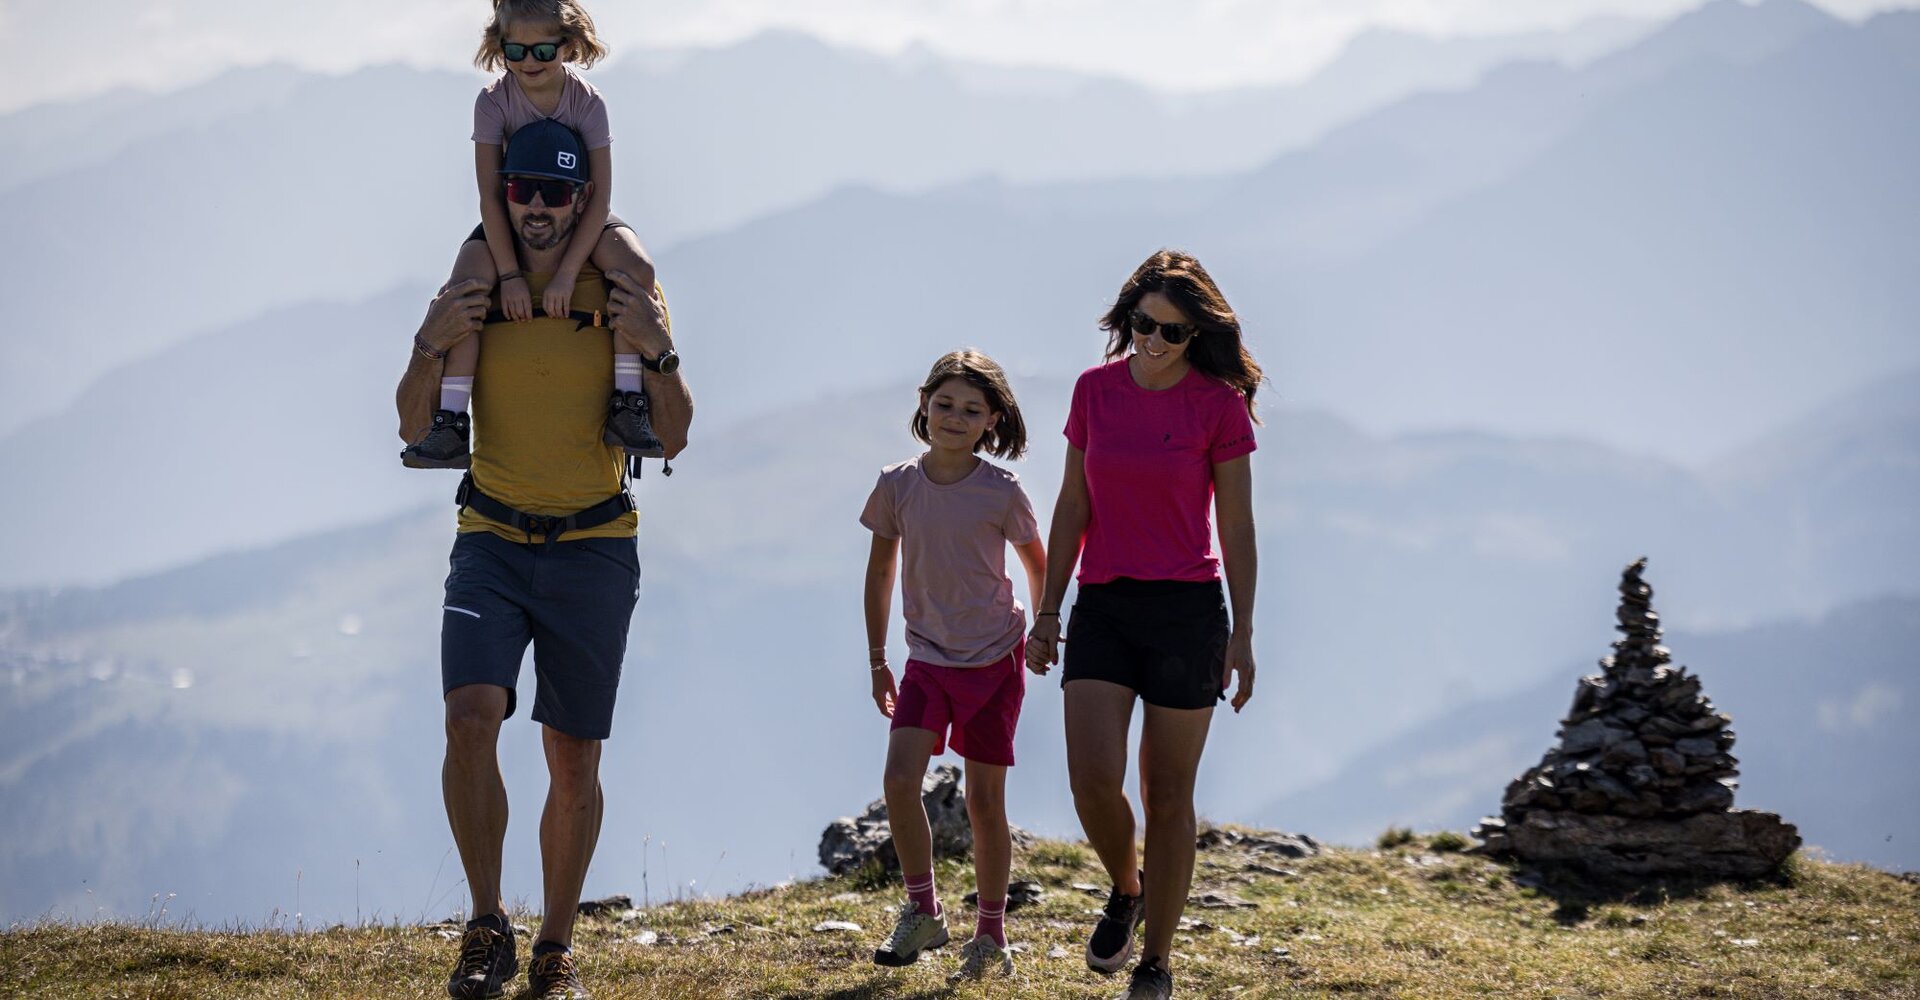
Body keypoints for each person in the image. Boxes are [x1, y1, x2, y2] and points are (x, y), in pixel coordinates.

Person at [395, 119, 691, 1000]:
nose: (536, 207)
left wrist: (662, 348)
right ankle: (486, 925)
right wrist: (424, 340)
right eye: (522, 188)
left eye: (557, 192)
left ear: (583, 199)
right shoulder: (473, 280)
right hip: (489, 536)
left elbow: (673, 433)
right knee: (469, 717)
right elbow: (414, 424)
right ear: (502, 189)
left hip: (596, 547)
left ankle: (556, 947)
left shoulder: (623, 284)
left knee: (573, 758)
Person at [1026, 250, 1262, 1000]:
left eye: (1172, 331)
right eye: (1142, 325)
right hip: (1104, 604)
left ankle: (1156, 959)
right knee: (1093, 783)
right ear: (1126, 316)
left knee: (1168, 795)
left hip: (1188, 612)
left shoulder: (1217, 405)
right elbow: (1072, 506)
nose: (1153, 342)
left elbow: (1239, 526)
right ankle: (1127, 887)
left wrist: (1244, 632)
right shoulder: (1094, 392)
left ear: (1198, 335)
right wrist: (1048, 610)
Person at [403, 0, 664, 469]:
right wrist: (508, 276)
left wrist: (566, 276)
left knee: (636, 270)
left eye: (543, 50)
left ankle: (629, 402)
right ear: (498, 48)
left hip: (580, 209)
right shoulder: (492, 102)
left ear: (567, 46)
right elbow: (489, 195)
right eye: (515, 51)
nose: (529, 62)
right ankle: (450, 421)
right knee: (466, 286)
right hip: (513, 208)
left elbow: (600, 198)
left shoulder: (588, 103)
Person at [860, 351, 1048, 983]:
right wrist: (878, 659)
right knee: (898, 779)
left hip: (996, 657)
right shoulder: (897, 484)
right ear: (923, 403)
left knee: (984, 802)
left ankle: (991, 934)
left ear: (992, 420)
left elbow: (1037, 564)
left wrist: (1044, 628)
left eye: (971, 410)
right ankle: (923, 910)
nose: (954, 417)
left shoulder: (1001, 491)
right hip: (925, 659)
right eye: (944, 404)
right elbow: (880, 572)